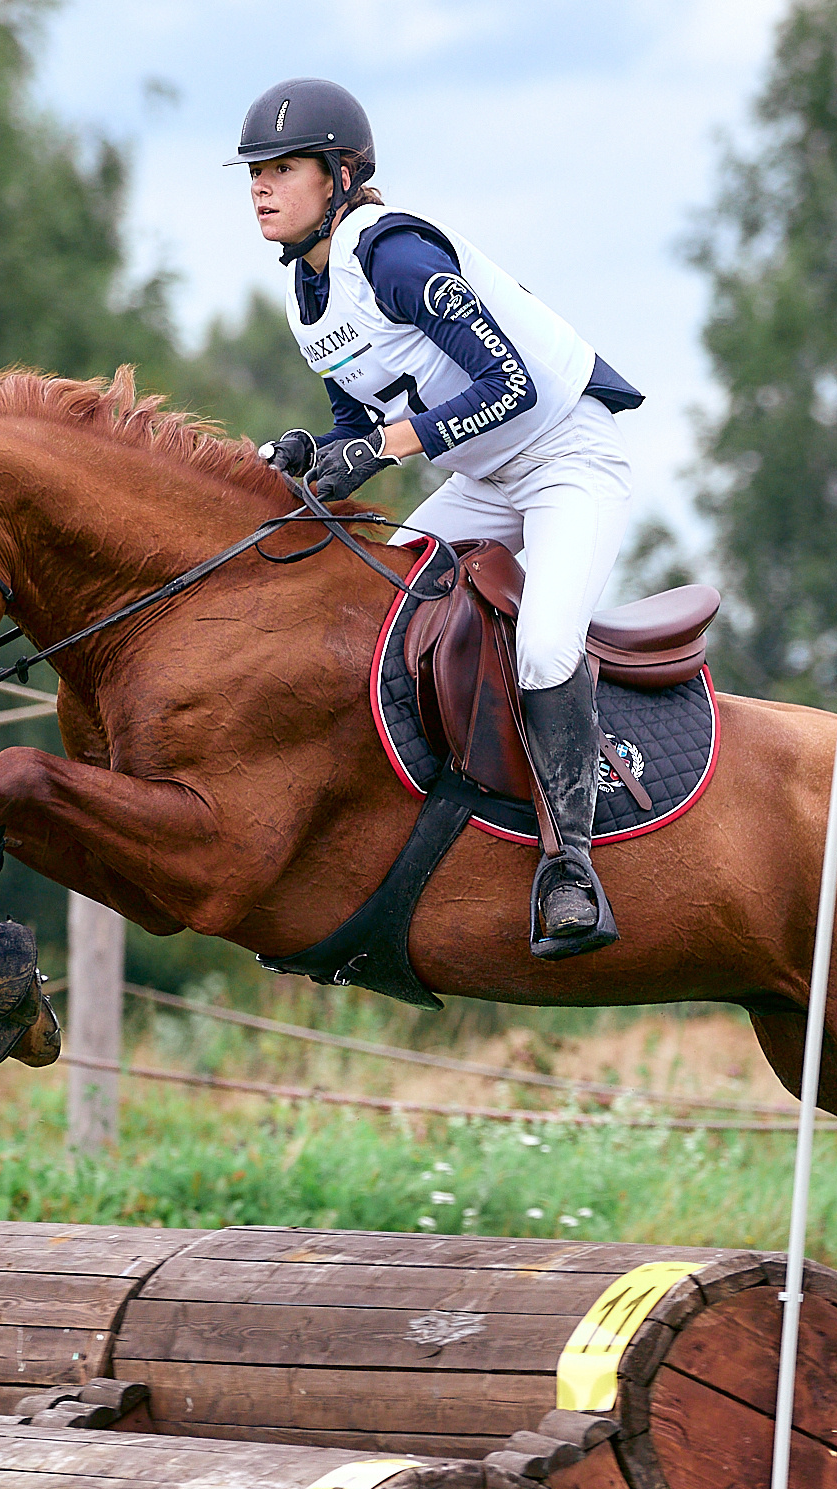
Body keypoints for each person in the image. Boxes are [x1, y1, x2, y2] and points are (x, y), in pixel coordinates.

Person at [237, 77, 644, 961]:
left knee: (543, 644)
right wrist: (323, 448)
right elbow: (359, 421)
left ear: (342, 174)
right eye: (255, 172)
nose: (262, 187)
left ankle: (570, 869)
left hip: (567, 454)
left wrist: (385, 446)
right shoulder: (311, 294)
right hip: (484, 476)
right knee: (385, 610)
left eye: (284, 168)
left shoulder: (393, 257)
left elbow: (512, 384)